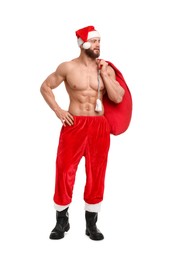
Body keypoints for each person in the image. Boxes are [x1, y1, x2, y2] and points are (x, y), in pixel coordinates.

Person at [40, 25, 125, 241]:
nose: (98, 45)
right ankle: (61, 220)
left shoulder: (106, 69)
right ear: (82, 43)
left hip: (99, 127)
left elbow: (117, 97)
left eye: (99, 42)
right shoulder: (68, 67)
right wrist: (58, 110)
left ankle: (91, 224)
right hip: (74, 124)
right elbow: (45, 86)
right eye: (94, 41)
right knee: (64, 170)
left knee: (97, 172)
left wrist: (105, 75)